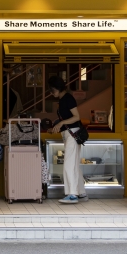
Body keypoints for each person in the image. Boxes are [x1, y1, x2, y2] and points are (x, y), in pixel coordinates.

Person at [49, 75, 85, 204]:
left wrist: (60, 123)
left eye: (52, 90)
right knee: (74, 164)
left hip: (72, 134)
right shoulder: (63, 99)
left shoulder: (68, 98)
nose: (51, 93)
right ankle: (81, 193)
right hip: (70, 133)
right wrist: (58, 124)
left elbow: (76, 117)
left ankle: (72, 194)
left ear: (58, 88)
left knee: (69, 164)